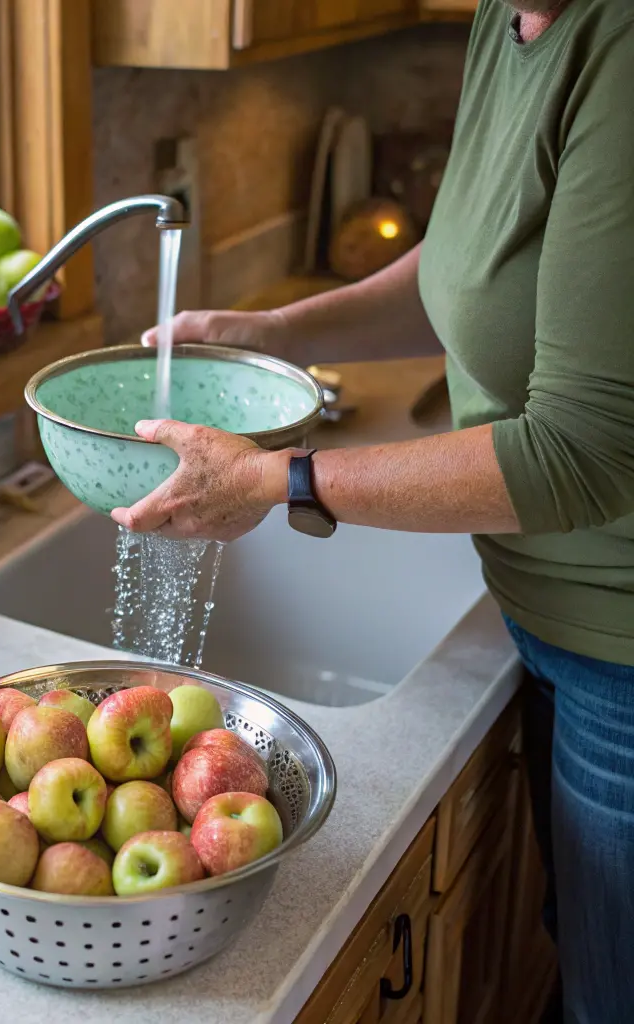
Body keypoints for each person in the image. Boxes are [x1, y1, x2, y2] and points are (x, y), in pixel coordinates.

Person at [115, 2, 634, 1022]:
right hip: (550, 609)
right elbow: (470, 269)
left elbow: (584, 450)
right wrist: (270, 330)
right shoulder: (510, 18)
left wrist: (281, 480)